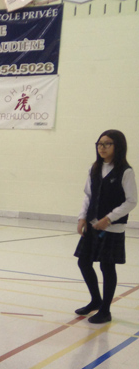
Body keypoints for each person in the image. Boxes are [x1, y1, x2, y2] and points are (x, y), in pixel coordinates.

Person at [74, 130, 136, 324]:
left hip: (112, 228)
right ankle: (95, 300)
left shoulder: (125, 171)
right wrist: (82, 217)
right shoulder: (94, 168)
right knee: (83, 262)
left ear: (117, 146)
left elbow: (131, 201)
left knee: (106, 267)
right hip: (92, 225)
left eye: (107, 144)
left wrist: (109, 218)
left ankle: (105, 310)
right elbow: (88, 195)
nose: (101, 147)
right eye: (99, 144)